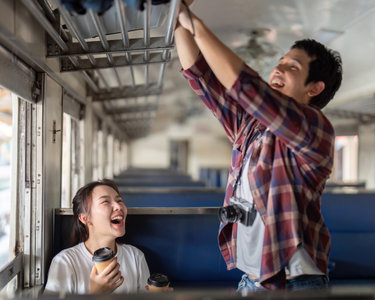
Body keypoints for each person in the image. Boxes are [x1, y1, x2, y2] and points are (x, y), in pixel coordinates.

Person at [175, 1, 343, 292]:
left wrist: (193, 22)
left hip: (295, 284)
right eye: (280, 61)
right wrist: (177, 18)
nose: (278, 68)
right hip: (252, 280)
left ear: (314, 88)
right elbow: (200, 77)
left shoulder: (317, 128)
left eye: (292, 66)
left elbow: (248, 88)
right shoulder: (251, 125)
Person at [44, 179, 150, 294]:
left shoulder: (135, 257)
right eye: (106, 202)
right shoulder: (65, 262)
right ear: (85, 218)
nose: (118, 206)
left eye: (119, 200)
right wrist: (95, 294)